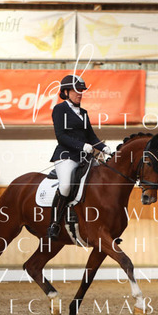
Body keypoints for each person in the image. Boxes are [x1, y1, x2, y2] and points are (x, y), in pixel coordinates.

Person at [47, 74, 112, 239]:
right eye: (76, 90)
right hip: (66, 156)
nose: (80, 93)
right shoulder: (59, 109)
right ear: (66, 92)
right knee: (65, 186)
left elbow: (91, 137)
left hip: (85, 157)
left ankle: (105, 223)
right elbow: (61, 136)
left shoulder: (83, 112)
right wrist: (81, 146)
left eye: (81, 91)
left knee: (102, 180)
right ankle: (54, 223)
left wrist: (105, 149)